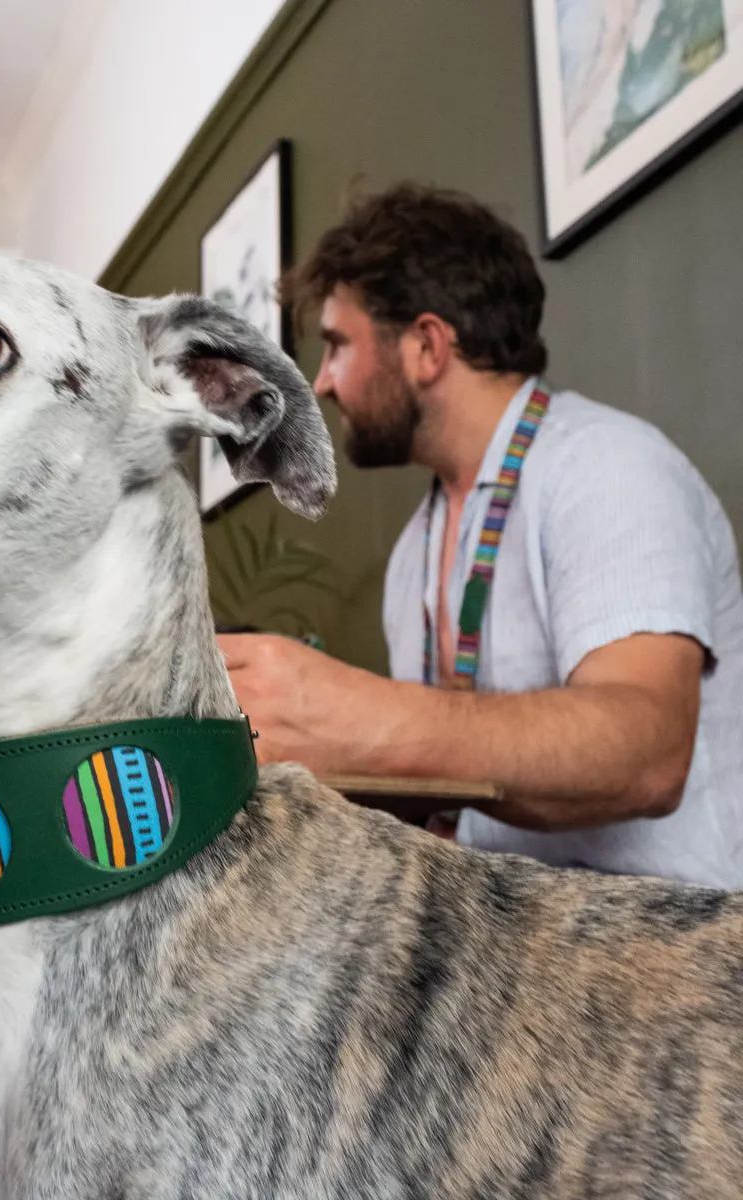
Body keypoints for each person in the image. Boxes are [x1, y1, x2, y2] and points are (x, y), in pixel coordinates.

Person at [219, 183, 743, 889]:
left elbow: (646, 753)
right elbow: (446, 782)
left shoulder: (607, 465)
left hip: (669, 964)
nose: (325, 382)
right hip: (509, 944)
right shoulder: (415, 549)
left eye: (339, 345)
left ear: (427, 347)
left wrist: (356, 714)